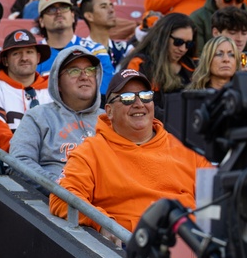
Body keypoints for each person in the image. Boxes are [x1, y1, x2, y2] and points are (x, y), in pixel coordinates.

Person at [50, 68, 211, 232]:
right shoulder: (91, 151)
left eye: (145, 96)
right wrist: (103, 223)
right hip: (128, 248)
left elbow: (216, 197)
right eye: (127, 98)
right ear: (109, 111)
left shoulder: (184, 147)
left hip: (190, 244)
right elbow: (62, 197)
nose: (139, 104)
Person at [10, 47, 104, 182]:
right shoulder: (38, 117)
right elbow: (19, 162)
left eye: (90, 70)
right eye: (74, 71)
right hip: (52, 199)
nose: (84, 77)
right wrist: (59, 187)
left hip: (105, 197)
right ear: (57, 83)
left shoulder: (110, 120)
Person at [0, 28, 52, 152]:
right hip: (11, 161)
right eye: (16, 53)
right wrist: (22, 155)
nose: (24, 58)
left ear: (38, 57)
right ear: (5, 60)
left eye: (29, 52)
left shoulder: (54, 90)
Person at [35, 0, 114, 93]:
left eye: (64, 7)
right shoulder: (34, 55)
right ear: (41, 21)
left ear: (72, 15)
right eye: (51, 9)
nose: (58, 12)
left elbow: (104, 93)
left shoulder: (95, 51)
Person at [120, 12, 196, 105]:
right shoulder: (140, 64)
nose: (183, 49)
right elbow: (135, 103)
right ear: (163, 37)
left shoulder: (193, 65)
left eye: (189, 44)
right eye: (178, 42)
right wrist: (173, 116)